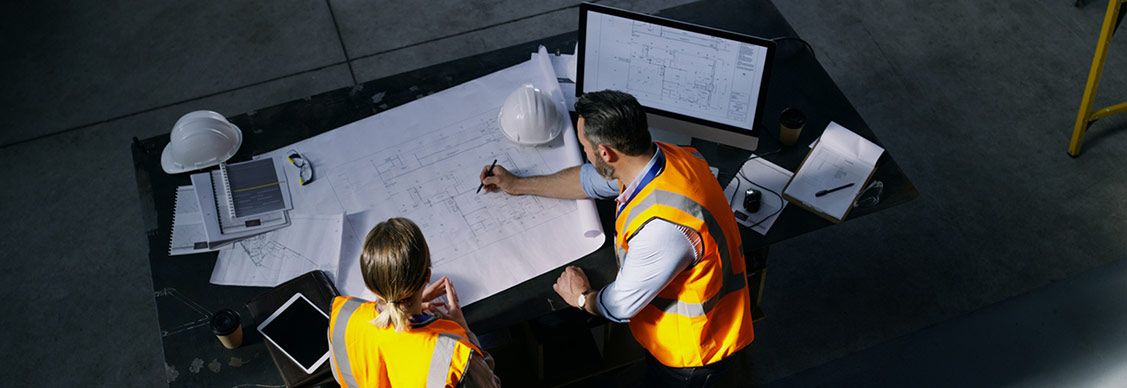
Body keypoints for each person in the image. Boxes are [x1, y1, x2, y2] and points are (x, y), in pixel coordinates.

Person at [480, 90, 754, 387]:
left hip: (694, 353)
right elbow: (590, 180)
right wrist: (517, 185)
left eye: (585, 147)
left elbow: (620, 306)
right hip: (703, 319)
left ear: (606, 153)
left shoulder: (663, 229)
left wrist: (582, 298)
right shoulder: (667, 157)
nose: (584, 153)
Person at [327, 217, 501, 388]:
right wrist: (465, 330)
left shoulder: (342, 316)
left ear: (371, 285)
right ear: (427, 276)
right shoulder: (455, 359)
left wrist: (408, 304)